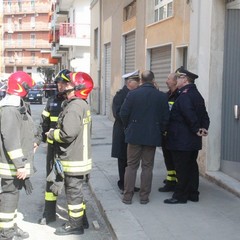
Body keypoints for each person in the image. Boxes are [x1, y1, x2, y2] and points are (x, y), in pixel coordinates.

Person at [45, 71, 94, 235]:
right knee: (77, 194)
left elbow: (68, 134)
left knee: (73, 195)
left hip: (73, 159)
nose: (64, 85)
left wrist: (52, 134)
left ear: (78, 88)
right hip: (80, 158)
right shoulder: (82, 104)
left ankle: (75, 226)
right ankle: (81, 222)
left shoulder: (74, 107)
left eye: (68, 84)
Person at [120, 70, 169, 204]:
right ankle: (144, 197)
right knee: (147, 167)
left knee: (131, 166)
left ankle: (127, 196)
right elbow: (166, 118)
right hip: (151, 135)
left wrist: (128, 127)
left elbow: (123, 113)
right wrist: (160, 130)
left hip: (134, 135)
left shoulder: (132, 94)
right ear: (153, 80)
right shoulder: (161, 96)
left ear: (141, 80)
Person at [164, 66, 210, 204]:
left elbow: (189, 115)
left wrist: (197, 128)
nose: (176, 80)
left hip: (181, 140)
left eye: (178, 77)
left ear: (184, 79)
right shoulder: (196, 94)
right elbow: (204, 115)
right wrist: (203, 128)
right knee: (191, 167)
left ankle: (180, 196)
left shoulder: (184, 95)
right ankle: (193, 194)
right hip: (192, 141)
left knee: (181, 168)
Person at [0, 71, 37, 240]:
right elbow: (11, 140)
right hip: (11, 165)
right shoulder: (9, 110)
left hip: (15, 163)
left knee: (13, 195)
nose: (29, 92)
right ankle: (6, 231)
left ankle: (11, 226)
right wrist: (20, 165)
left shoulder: (16, 106)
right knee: (9, 195)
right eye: (27, 88)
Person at [39, 69, 71, 225]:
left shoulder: (74, 102)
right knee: (51, 179)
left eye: (64, 83)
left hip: (69, 149)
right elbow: (43, 124)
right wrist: (38, 139)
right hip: (53, 148)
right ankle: (49, 213)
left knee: (73, 184)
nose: (60, 86)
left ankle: (79, 218)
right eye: (59, 83)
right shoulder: (51, 101)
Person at [111, 70, 140, 193]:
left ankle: (129, 184)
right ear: (129, 82)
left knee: (131, 159)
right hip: (122, 131)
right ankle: (123, 184)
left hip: (131, 131)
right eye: (136, 81)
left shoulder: (135, 94)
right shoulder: (121, 95)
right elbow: (118, 114)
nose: (139, 83)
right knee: (123, 158)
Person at [158, 73, 178, 192]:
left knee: (175, 160)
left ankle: (176, 182)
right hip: (166, 135)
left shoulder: (179, 96)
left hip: (175, 135)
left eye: (168, 79)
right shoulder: (167, 95)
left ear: (175, 81)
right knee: (168, 160)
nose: (166, 81)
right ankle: (171, 181)